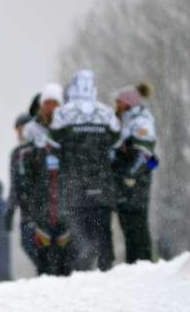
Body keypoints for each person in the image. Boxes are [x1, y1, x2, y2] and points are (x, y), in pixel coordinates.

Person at [52, 70, 120, 272]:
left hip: (74, 186)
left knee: (77, 232)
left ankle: (81, 271)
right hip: (101, 185)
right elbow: (115, 141)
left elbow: (54, 143)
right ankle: (106, 268)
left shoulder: (63, 113)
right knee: (103, 232)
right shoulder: (106, 113)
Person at [21, 121, 74, 276]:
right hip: (41, 211)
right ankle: (45, 280)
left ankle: (65, 279)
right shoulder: (29, 154)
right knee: (43, 255)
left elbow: (70, 176)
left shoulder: (64, 151)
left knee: (65, 256)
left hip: (62, 211)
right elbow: (26, 181)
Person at [113, 83, 158, 264]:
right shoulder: (126, 120)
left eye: (120, 102)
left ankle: (143, 261)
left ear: (129, 103)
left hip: (136, 180)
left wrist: (129, 175)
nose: (116, 105)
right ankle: (135, 262)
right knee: (127, 222)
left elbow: (144, 153)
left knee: (137, 222)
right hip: (126, 180)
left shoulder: (141, 121)